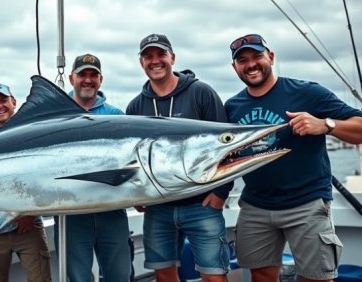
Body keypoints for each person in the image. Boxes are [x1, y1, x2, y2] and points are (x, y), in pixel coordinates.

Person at [224, 33, 362, 282]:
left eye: (257, 56)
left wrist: (325, 124)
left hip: (307, 203)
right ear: (235, 67)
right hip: (256, 206)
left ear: (271, 57)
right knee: (261, 276)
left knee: (318, 278)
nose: (251, 64)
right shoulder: (232, 107)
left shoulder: (308, 93)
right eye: (242, 60)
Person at [126, 34, 231, 282]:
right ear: (141, 62)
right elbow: (133, 159)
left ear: (172, 57)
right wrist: (136, 194)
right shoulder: (134, 108)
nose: (155, 61)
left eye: (161, 54)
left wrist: (221, 192)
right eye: (148, 56)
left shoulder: (201, 93)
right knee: (163, 274)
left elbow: (226, 145)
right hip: (158, 208)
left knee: (214, 275)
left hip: (201, 204)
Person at [55, 53, 132, 282]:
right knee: (77, 277)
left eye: (93, 75)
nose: (88, 80)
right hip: (72, 212)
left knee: (120, 275)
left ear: (100, 79)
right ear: (71, 78)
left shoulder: (116, 116)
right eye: (82, 75)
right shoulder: (57, 116)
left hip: (112, 210)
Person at [0, 83, 52, 282]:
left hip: (28, 227)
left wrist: (29, 212)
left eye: (3, 100)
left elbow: (43, 177)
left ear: (14, 102)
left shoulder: (34, 135)